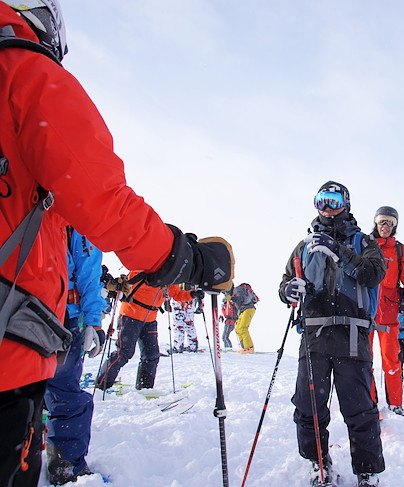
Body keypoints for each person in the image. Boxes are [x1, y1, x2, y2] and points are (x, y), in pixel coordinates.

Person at [0, 2, 233, 485]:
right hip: (13, 337)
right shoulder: (24, 72)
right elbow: (99, 199)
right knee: (92, 373)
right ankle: (72, 448)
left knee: (125, 359)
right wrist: (182, 260)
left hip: (61, 317)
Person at [279, 181, 386, 487]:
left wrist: (339, 251)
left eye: (333, 199)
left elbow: (373, 274)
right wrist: (288, 290)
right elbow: (286, 280)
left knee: (360, 409)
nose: (326, 206)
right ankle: (318, 463)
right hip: (313, 334)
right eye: (320, 200)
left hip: (352, 335)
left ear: (346, 203)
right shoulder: (303, 247)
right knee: (308, 407)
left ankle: (367, 473)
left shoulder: (363, 242)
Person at [44, 228, 106, 485]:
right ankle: (66, 465)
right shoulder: (72, 215)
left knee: (19, 385)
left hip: (11, 307)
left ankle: (19, 448)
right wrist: (93, 321)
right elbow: (88, 271)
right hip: (58, 315)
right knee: (63, 392)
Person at [95, 274, 193, 390]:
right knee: (124, 353)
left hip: (150, 319)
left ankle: (145, 387)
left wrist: (192, 294)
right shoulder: (142, 267)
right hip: (130, 315)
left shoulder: (169, 274)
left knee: (151, 355)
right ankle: (102, 384)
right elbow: (130, 281)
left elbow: (176, 294)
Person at [368, 206, 404, 414]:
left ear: (395, 225)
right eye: (382, 221)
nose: (385, 226)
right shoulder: (364, 245)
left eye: (390, 222)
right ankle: (368, 403)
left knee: (392, 360)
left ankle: (395, 404)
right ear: (375, 222)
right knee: (364, 359)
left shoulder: (400, 250)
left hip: (389, 314)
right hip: (365, 312)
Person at [231, 282, 259, 353]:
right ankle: (244, 347)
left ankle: (249, 347)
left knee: (243, 328)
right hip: (245, 310)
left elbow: (241, 299)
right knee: (238, 329)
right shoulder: (240, 290)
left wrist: (232, 298)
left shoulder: (238, 289)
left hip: (247, 309)